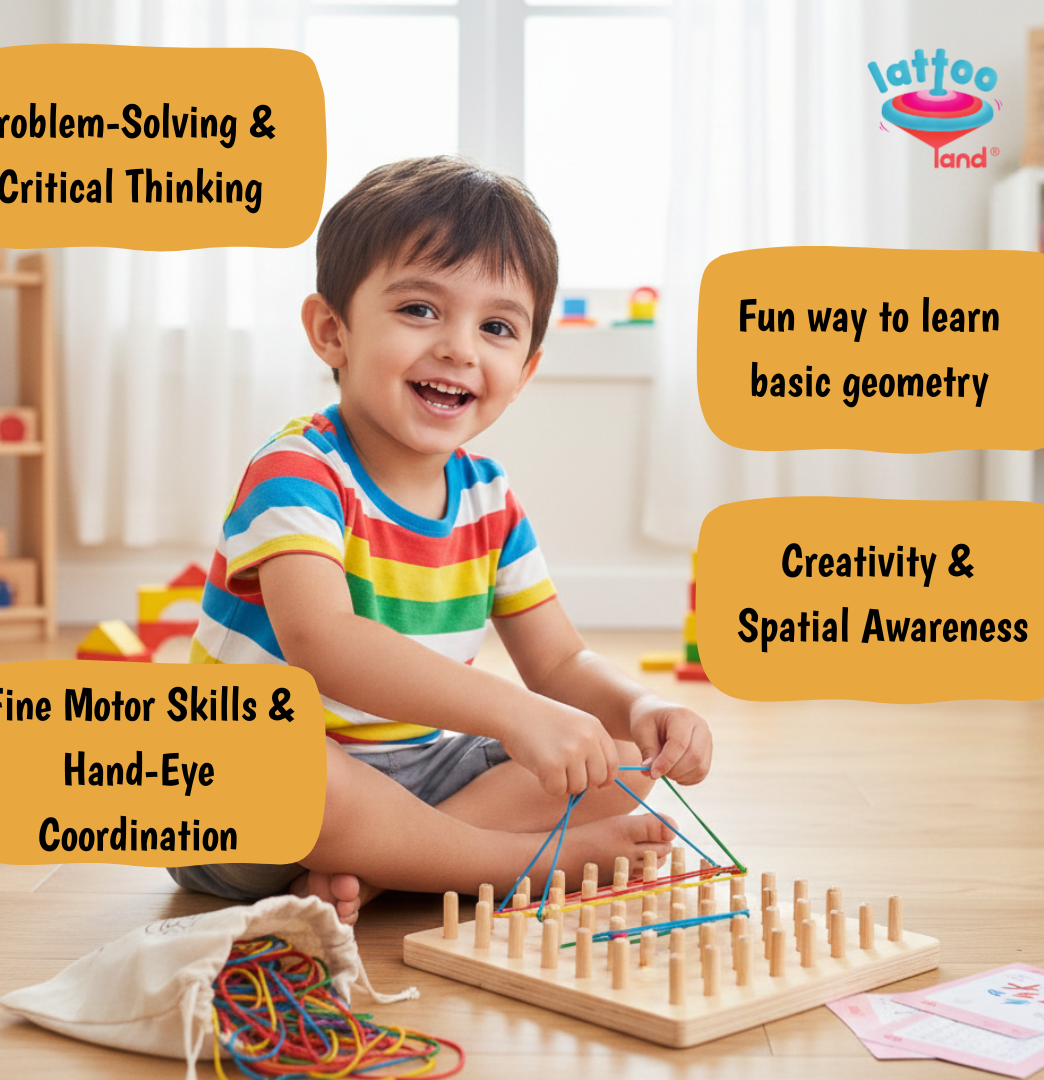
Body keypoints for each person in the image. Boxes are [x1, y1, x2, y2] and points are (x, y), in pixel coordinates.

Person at [169, 157, 712, 924]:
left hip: (419, 776)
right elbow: (324, 641)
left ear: (524, 370)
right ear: (332, 331)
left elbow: (559, 662)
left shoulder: (489, 497)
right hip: (258, 793)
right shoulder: (296, 469)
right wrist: (516, 715)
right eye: (420, 309)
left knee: (620, 762)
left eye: (496, 328)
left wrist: (640, 705)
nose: (460, 347)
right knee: (290, 767)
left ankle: (386, 865)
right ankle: (518, 865)